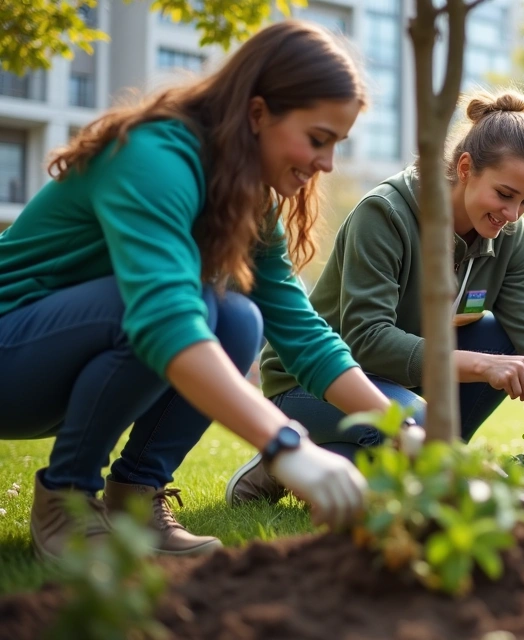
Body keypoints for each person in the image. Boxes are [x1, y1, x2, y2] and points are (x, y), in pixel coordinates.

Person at [0, 22, 391, 560]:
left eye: (336, 145)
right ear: (258, 113)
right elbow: (164, 320)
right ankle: (67, 498)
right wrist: (287, 445)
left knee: (238, 318)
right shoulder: (153, 157)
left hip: (51, 366)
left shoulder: (247, 196)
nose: (326, 163)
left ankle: (135, 498)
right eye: (318, 139)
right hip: (12, 358)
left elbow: (303, 333)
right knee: (192, 308)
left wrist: (402, 431)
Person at [227, 90, 524, 505]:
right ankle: (297, 445)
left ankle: (345, 457)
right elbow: (367, 340)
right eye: (505, 194)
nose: (513, 215)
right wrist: (483, 365)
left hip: (406, 386)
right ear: (465, 168)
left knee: (500, 337)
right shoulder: (384, 214)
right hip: (315, 382)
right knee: (426, 430)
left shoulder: (510, 235)